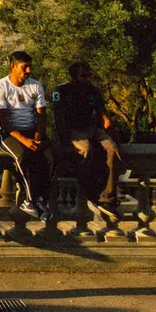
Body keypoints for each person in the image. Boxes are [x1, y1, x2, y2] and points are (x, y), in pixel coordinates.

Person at [52, 62, 122, 219]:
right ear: (74, 76)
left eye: (88, 75)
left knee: (112, 149)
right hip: (73, 131)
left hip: (92, 129)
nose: (87, 79)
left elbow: (102, 115)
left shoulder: (93, 91)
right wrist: (64, 139)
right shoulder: (61, 91)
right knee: (87, 151)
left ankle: (107, 197)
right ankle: (91, 191)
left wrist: (111, 132)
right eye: (83, 76)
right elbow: (58, 118)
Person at [0, 51, 53, 218]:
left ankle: (43, 199)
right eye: (24, 67)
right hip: (9, 133)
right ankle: (30, 200)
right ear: (13, 66)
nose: (28, 71)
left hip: (32, 130)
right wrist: (24, 141)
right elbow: (3, 121)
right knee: (22, 156)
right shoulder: (0, 87)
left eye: (29, 67)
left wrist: (38, 136)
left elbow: (41, 115)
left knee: (48, 156)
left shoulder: (35, 86)